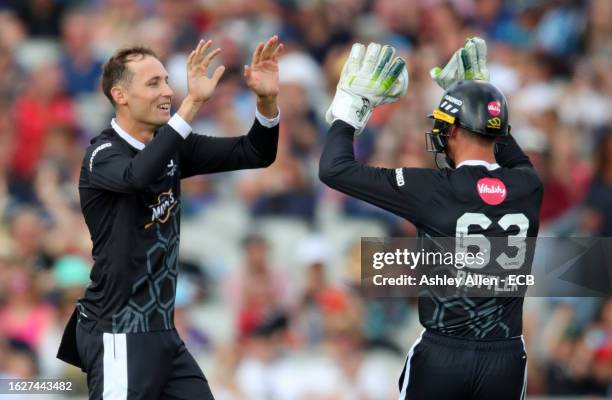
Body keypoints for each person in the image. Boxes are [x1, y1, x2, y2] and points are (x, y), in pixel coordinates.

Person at [57, 36, 283, 399]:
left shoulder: (173, 145)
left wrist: (267, 101)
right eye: (153, 83)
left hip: (163, 333)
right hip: (118, 333)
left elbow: (255, 152)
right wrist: (192, 104)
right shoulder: (102, 154)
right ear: (120, 95)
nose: (168, 91)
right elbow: (137, 175)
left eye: (166, 80)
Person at [319, 38, 543, 399]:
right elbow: (508, 149)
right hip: (506, 356)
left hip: (443, 355)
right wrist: (478, 96)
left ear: (452, 130)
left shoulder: (434, 188)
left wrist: (350, 109)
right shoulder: (529, 186)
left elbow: (333, 169)